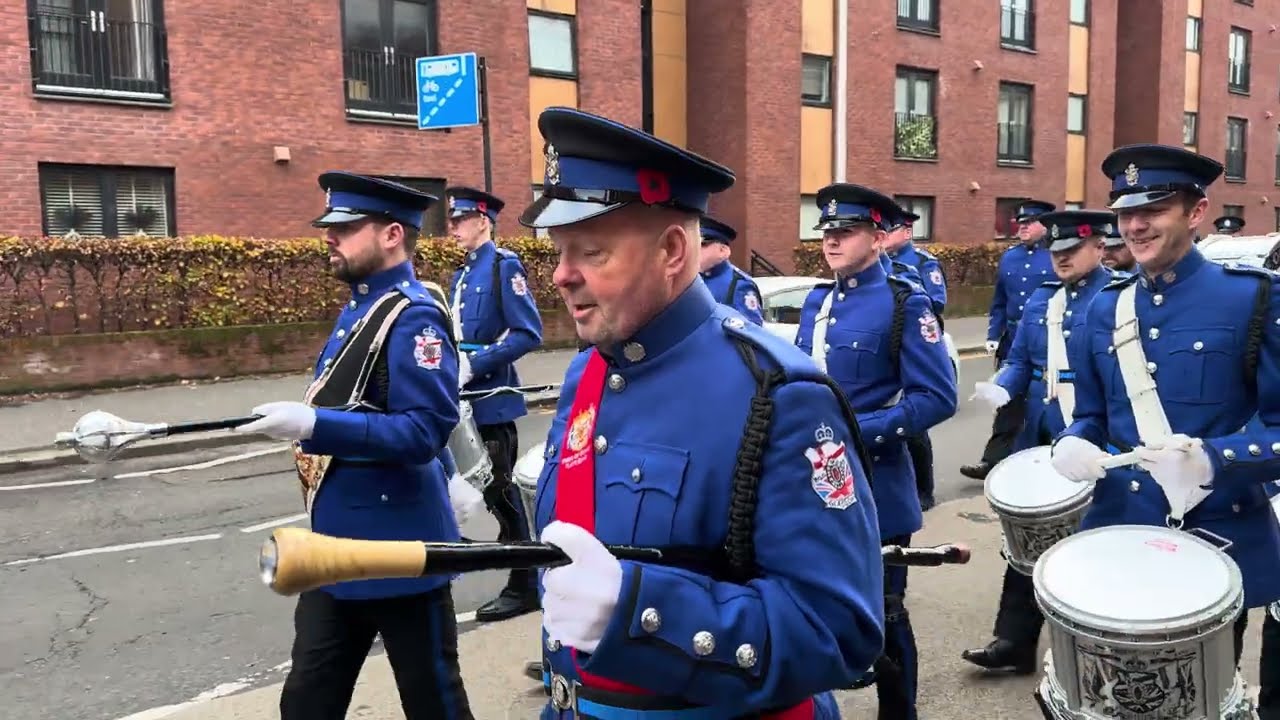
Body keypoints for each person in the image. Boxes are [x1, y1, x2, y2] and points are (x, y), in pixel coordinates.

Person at [520, 106, 886, 720]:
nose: (561, 275)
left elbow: (838, 629)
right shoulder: (588, 373)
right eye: (559, 251)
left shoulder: (777, 392)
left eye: (592, 252)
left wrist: (637, 612)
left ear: (670, 250)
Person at [235, 172, 473, 719]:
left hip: (400, 551)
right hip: (332, 553)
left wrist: (314, 424)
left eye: (345, 227)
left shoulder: (413, 315)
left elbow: (422, 429)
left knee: (434, 704)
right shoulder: (364, 307)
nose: (329, 236)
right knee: (306, 701)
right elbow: (381, 406)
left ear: (392, 235)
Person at [1049, 144, 1280, 684]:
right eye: (1125, 213)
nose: (1135, 226)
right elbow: (1092, 414)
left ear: (1196, 212)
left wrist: (1213, 460)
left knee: (1196, 695)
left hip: (1213, 535)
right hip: (1120, 528)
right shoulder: (1105, 306)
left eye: (1153, 210)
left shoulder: (1253, 299)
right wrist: (1074, 440)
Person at [795, 184, 958, 720]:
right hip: (810, 481)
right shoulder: (818, 302)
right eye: (827, 232)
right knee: (810, 598)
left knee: (885, 612)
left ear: (878, 237)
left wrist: (855, 432)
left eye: (845, 232)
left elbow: (936, 397)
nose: (832, 241)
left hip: (876, 482)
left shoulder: (906, 303)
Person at [959, 209, 1118, 675]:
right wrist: (1003, 385)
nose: (1062, 259)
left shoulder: (1118, 297)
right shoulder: (1042, 300)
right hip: (1042, 436)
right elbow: (1022, 361)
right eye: (1056, 251)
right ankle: (1014, 641)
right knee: (1029, 537)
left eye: (1073, 250)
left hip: (1097, 441)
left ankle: (1089, 652)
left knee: (1093, 543)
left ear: (1099, 247)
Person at [446, 185, 545, 623]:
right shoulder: (462, 274)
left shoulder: (504, 266)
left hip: (491, 400)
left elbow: (528, 333)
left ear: (482, 221)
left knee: (502, 496)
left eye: (459, 220)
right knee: (470, 491)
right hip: (463, 401)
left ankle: (526, 584)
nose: (452, 228)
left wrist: (476, 363)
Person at [960, 199, 1056, 481]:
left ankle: (1046, 462)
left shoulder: (1056, 255)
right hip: (1013, 339)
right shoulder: (1010, 257)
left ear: (1045, 225)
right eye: (1020, 223)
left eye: (1029, 223)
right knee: (1007, 402)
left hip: (1047, 340)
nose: (1022, 228)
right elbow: (1000, 300)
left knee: (1045, 405)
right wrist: (993, 333)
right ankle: (992, 462)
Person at [883, 207, 947, 512]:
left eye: (891, 230)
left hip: (916, 345)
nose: (885, 236)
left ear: (906, 232)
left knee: (915, 424)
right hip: (886, 345)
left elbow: (937, 302)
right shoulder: (878, 263)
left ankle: (924, 489)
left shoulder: (921, 263)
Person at [698, 215, 764, 324]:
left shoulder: (739, 285)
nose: (696, 250)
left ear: (722, 250)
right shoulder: (693, 279)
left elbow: (751, 330)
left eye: (702, 244)